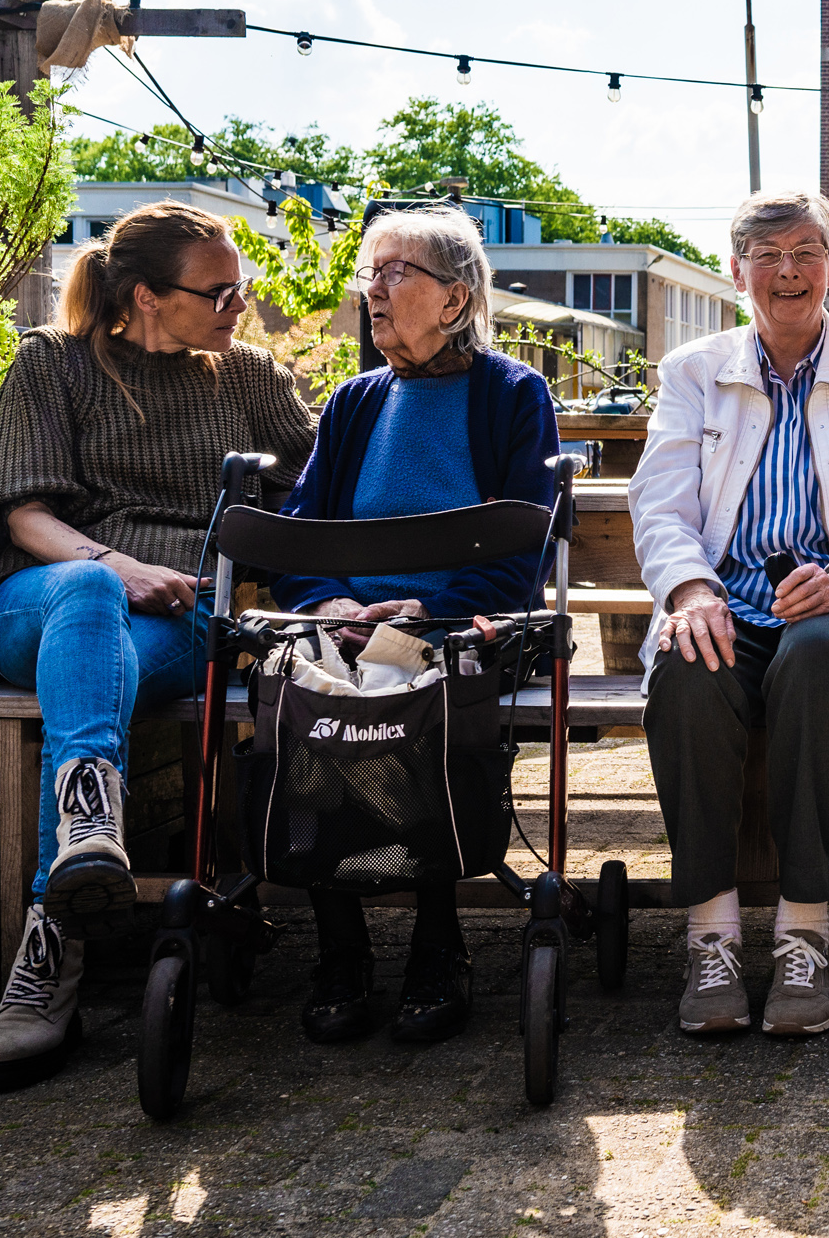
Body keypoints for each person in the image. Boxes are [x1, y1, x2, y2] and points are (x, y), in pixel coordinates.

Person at [0, 202, 317, 1093]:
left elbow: (328, 478)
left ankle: (50, 955)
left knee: (104, 662)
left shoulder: (247, 378)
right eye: (220, 290)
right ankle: (90, 825)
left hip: (185, 619)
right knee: (90, 593)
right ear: (148, 296)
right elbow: (26, 515)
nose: (242, 304)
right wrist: (118, 565)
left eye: (242, 286)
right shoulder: (53, 363)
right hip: (45, 600)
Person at [634, 190, 829, 1037]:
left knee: (811, 658)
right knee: (689, 667)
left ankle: (805, 930)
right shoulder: (693, 372)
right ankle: (713, 938)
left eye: (805, 251)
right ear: (737, 273)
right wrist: (691, 590)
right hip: (726, 600)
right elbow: (660, 506)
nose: (787, 270)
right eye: (766, 255)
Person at [272, 204, 561, 1046]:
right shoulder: (355, 403)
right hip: (344, 628)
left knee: (400, 688)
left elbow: (522, 546)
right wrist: (327, 601)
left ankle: (439, 943)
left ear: (457, 298)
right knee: (307, 685)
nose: (375, 289)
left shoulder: (513, 395)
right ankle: (341, 947)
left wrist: (422, 612)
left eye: (398, 272)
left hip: (458, 630)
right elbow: (300, 532)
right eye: (371, 272)